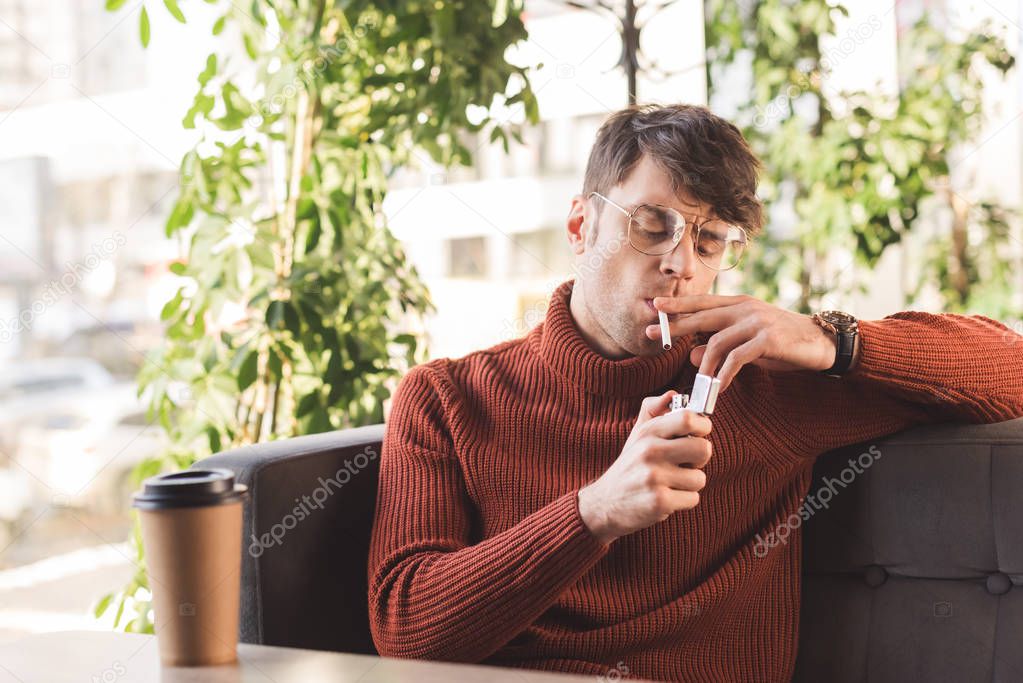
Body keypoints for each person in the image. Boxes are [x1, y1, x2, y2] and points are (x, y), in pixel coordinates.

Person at [366, 103, 1023, 682]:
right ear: (579, 227)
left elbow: (1011, 365)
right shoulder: (447, 397)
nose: (679, 263)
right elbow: (406, 630)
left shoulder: (763, 383)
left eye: (708, 242)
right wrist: (593, 512)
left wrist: (829, 341)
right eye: (652, 226)